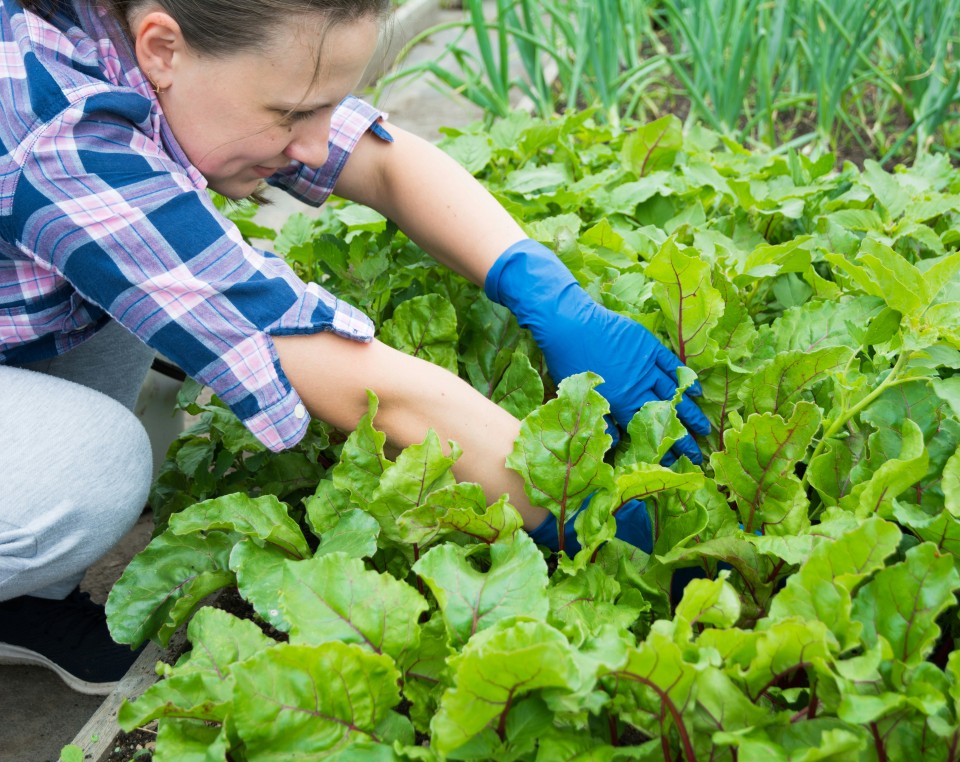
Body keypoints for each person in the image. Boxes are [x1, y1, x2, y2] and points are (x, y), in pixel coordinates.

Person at [0, 0, 711, 695]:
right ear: (161, 47)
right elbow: (350, 376)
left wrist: (549, 292)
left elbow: (384, 162)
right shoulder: (60, 131)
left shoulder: (138, 37)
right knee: (94, 467)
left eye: (324, 107)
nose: (313, 143)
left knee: (143, 270)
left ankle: (21, 603)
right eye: (290, 114)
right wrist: (590, 507)